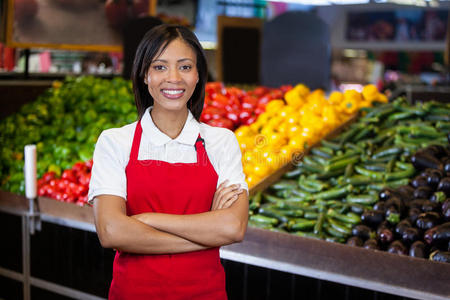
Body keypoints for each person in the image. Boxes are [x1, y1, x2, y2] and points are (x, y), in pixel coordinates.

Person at [88, 24, 249, 300]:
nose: (173, 78)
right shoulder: (115, 142)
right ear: (144, 75)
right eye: (160, 67)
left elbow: (233, 227)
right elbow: (111, 231)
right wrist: (206, 233)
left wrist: (146, 220)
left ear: (198, 75)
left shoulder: (222, 142)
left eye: (185, 67)